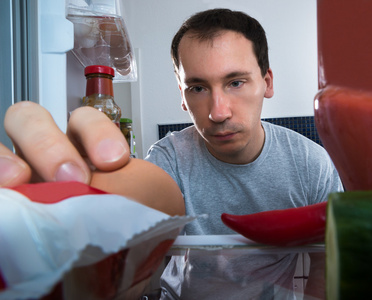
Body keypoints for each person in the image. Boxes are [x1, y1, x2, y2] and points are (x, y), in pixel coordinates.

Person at [0, 8, 342, 300]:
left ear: (267, 82)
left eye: (236, 82)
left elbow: (326, 269)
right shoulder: (170, 158)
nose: (218, 112)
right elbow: (142, 212)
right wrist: (71, 210)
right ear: (182, 96)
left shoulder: (311, 164)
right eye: (197, 88)